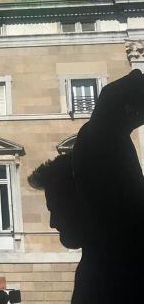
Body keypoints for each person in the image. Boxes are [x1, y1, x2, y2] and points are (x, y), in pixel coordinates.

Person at [29, 69, 144, 303]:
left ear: (89, 196)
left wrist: (90, 149)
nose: (53, 223)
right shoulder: (101, 259)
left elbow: (108, 113)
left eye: (57, 209)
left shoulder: (120, 250)